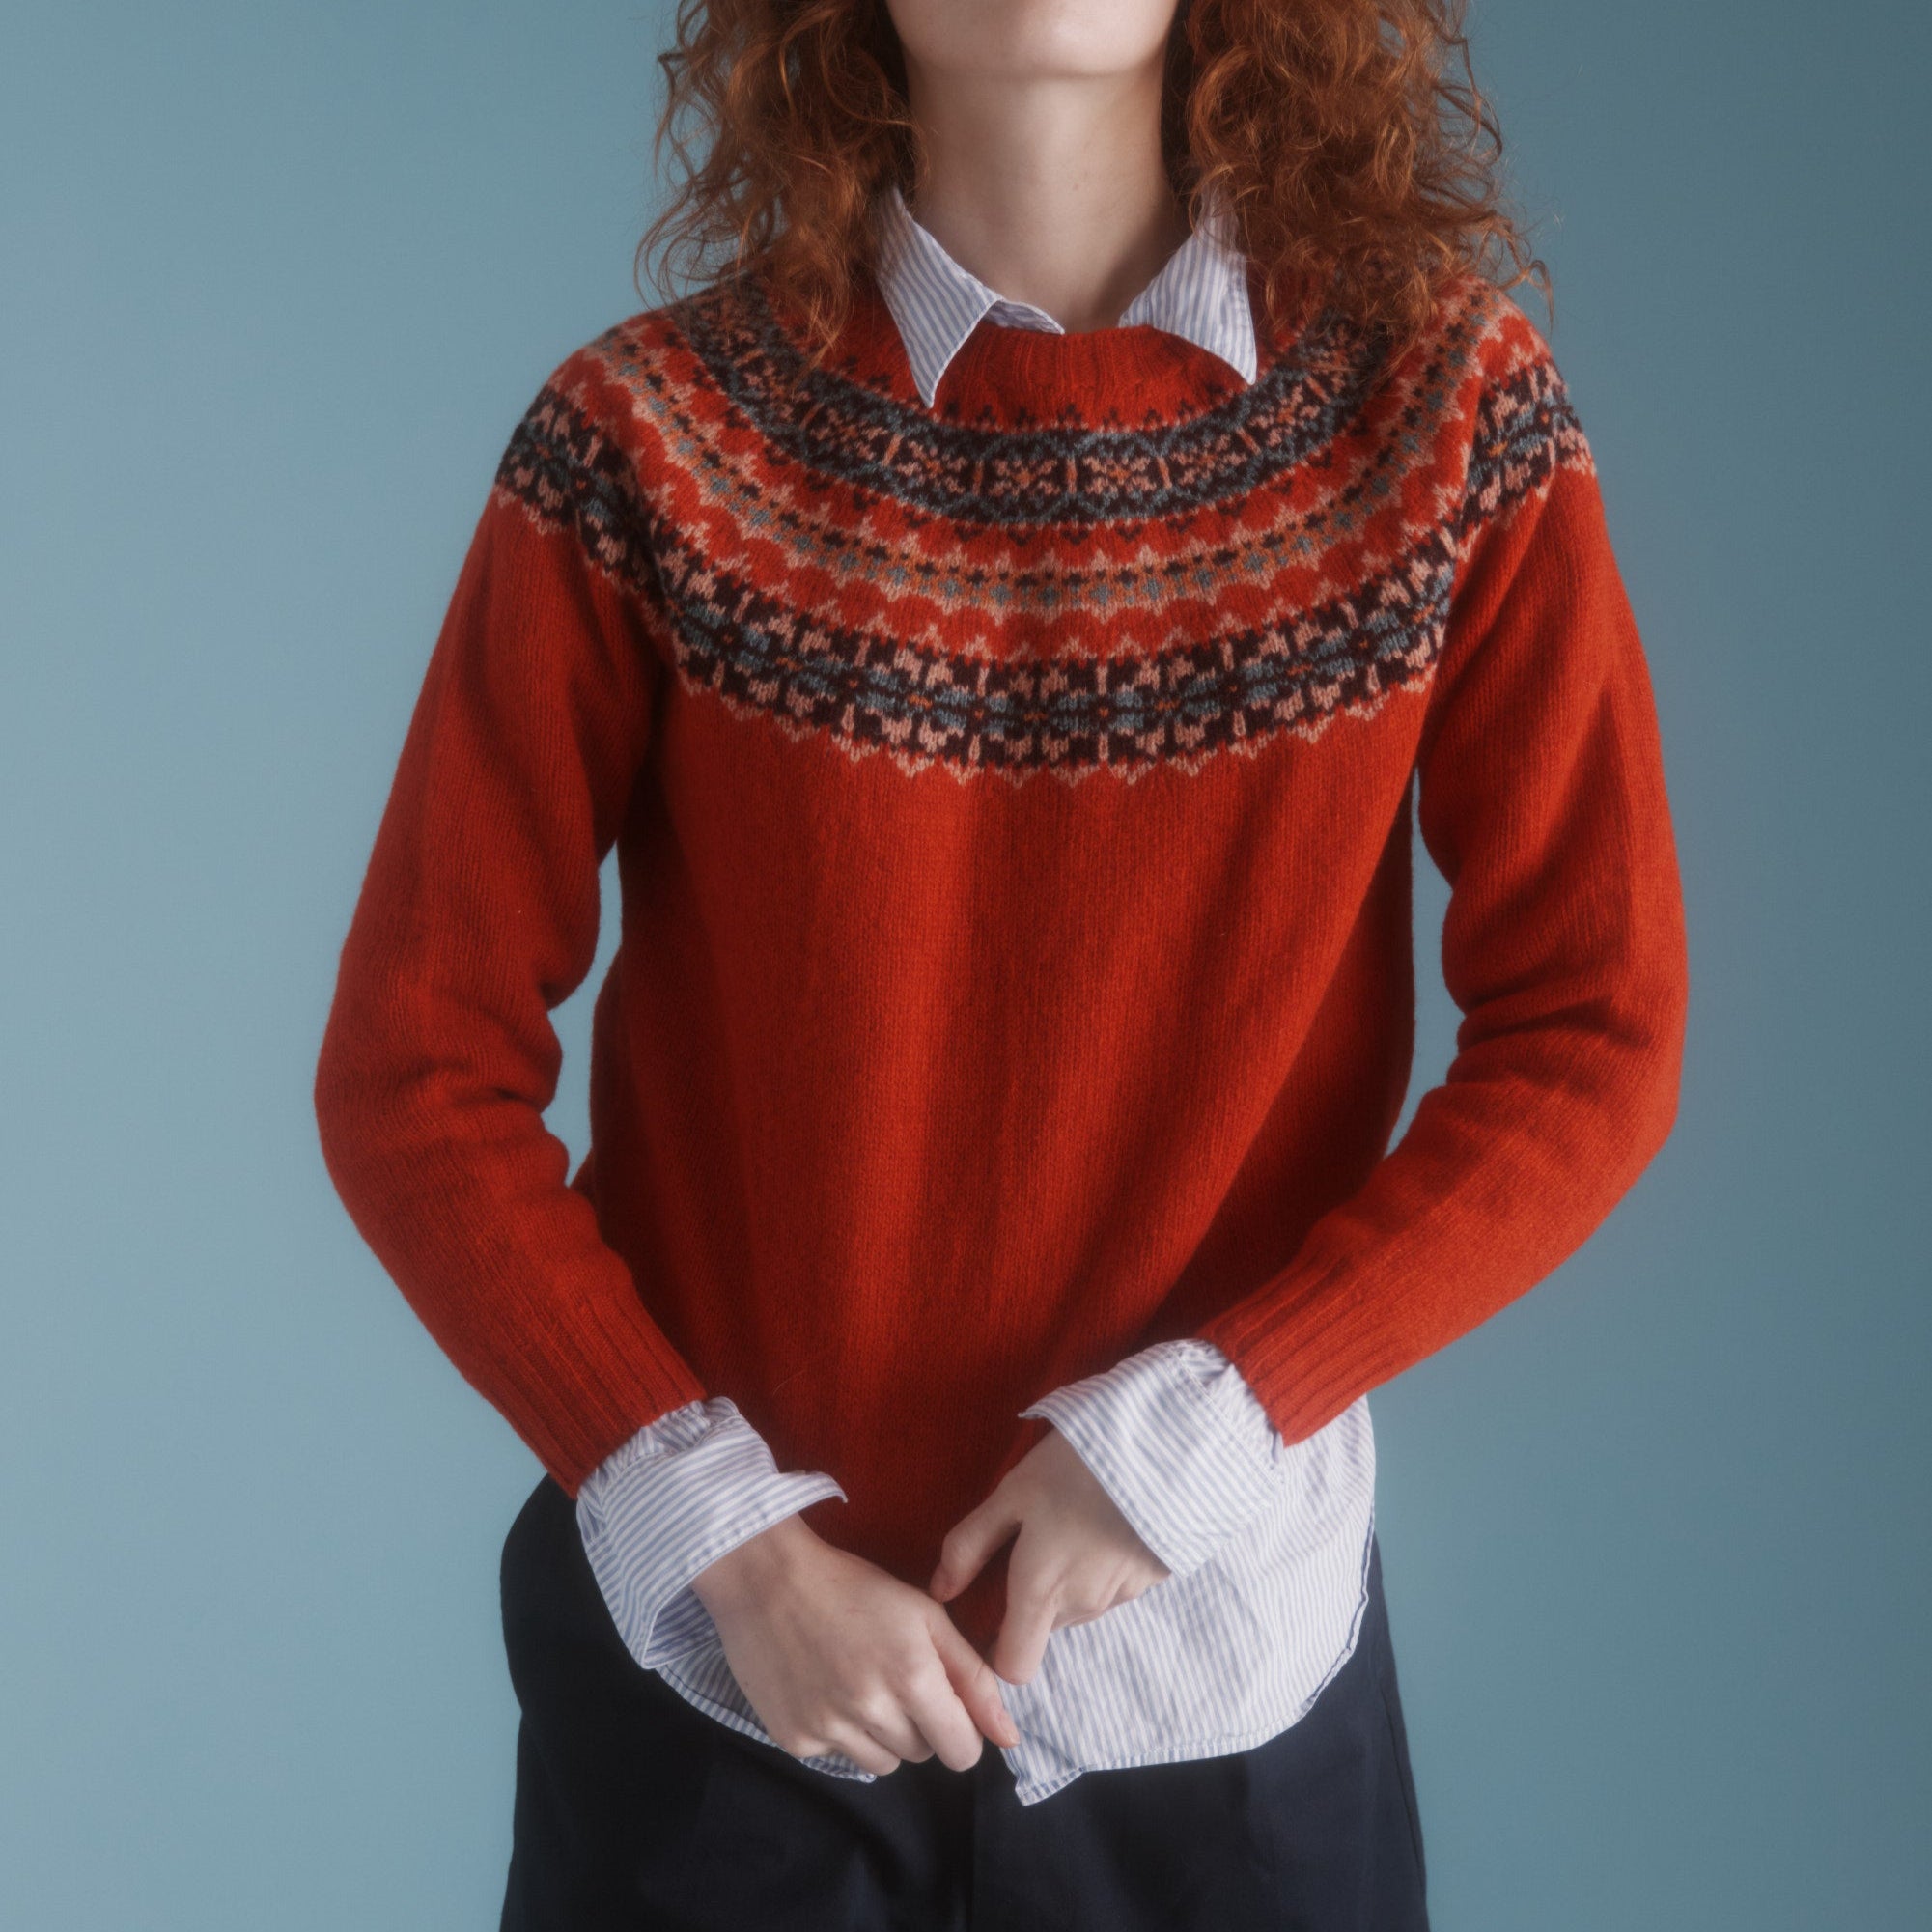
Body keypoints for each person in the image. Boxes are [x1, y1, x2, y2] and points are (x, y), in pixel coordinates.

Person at [313, 0, 1688, 1923]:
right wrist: (723, 1540)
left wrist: (1198, 1430)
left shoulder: (1444, 410)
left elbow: (1592, 1025)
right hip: (729, 1704)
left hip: (1224, 1685)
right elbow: (413, 1072)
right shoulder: (647, 437)